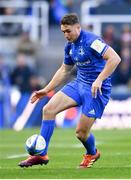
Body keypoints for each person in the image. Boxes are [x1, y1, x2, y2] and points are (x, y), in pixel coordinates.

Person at [18, 13, 121, 168]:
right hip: (79, 84)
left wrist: (99, 79)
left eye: (68, 31)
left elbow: (115, 58)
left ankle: (92, 153)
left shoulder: (92, 41)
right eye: (63, 32)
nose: (66, 35)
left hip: (96, 90)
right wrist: (46, 89)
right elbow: (65, 70)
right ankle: (41, 154)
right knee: (48, 110)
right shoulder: (70, 46)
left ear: (78, 28)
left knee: (81, 133)